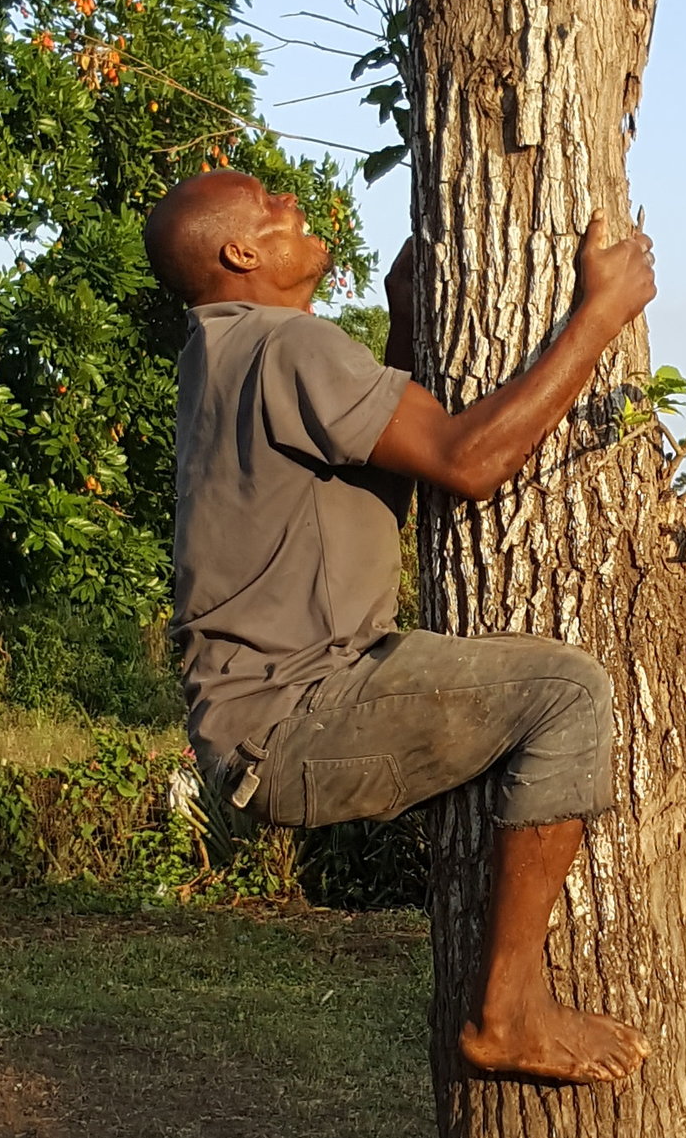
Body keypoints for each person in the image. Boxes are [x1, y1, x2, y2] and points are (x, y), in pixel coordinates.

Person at [145, 165, 657, 1088]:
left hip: (268, 724)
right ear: (240, 251)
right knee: (566, 689)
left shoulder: (219, 354)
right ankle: (510, 1010)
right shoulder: (286, 348)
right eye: (269, 205)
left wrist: (406, 325)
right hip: (299, 716)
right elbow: (467, 461)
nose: (291, 204)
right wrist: (600, 315)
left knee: (518, 671)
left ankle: (512, 1000)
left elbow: (378, 462)